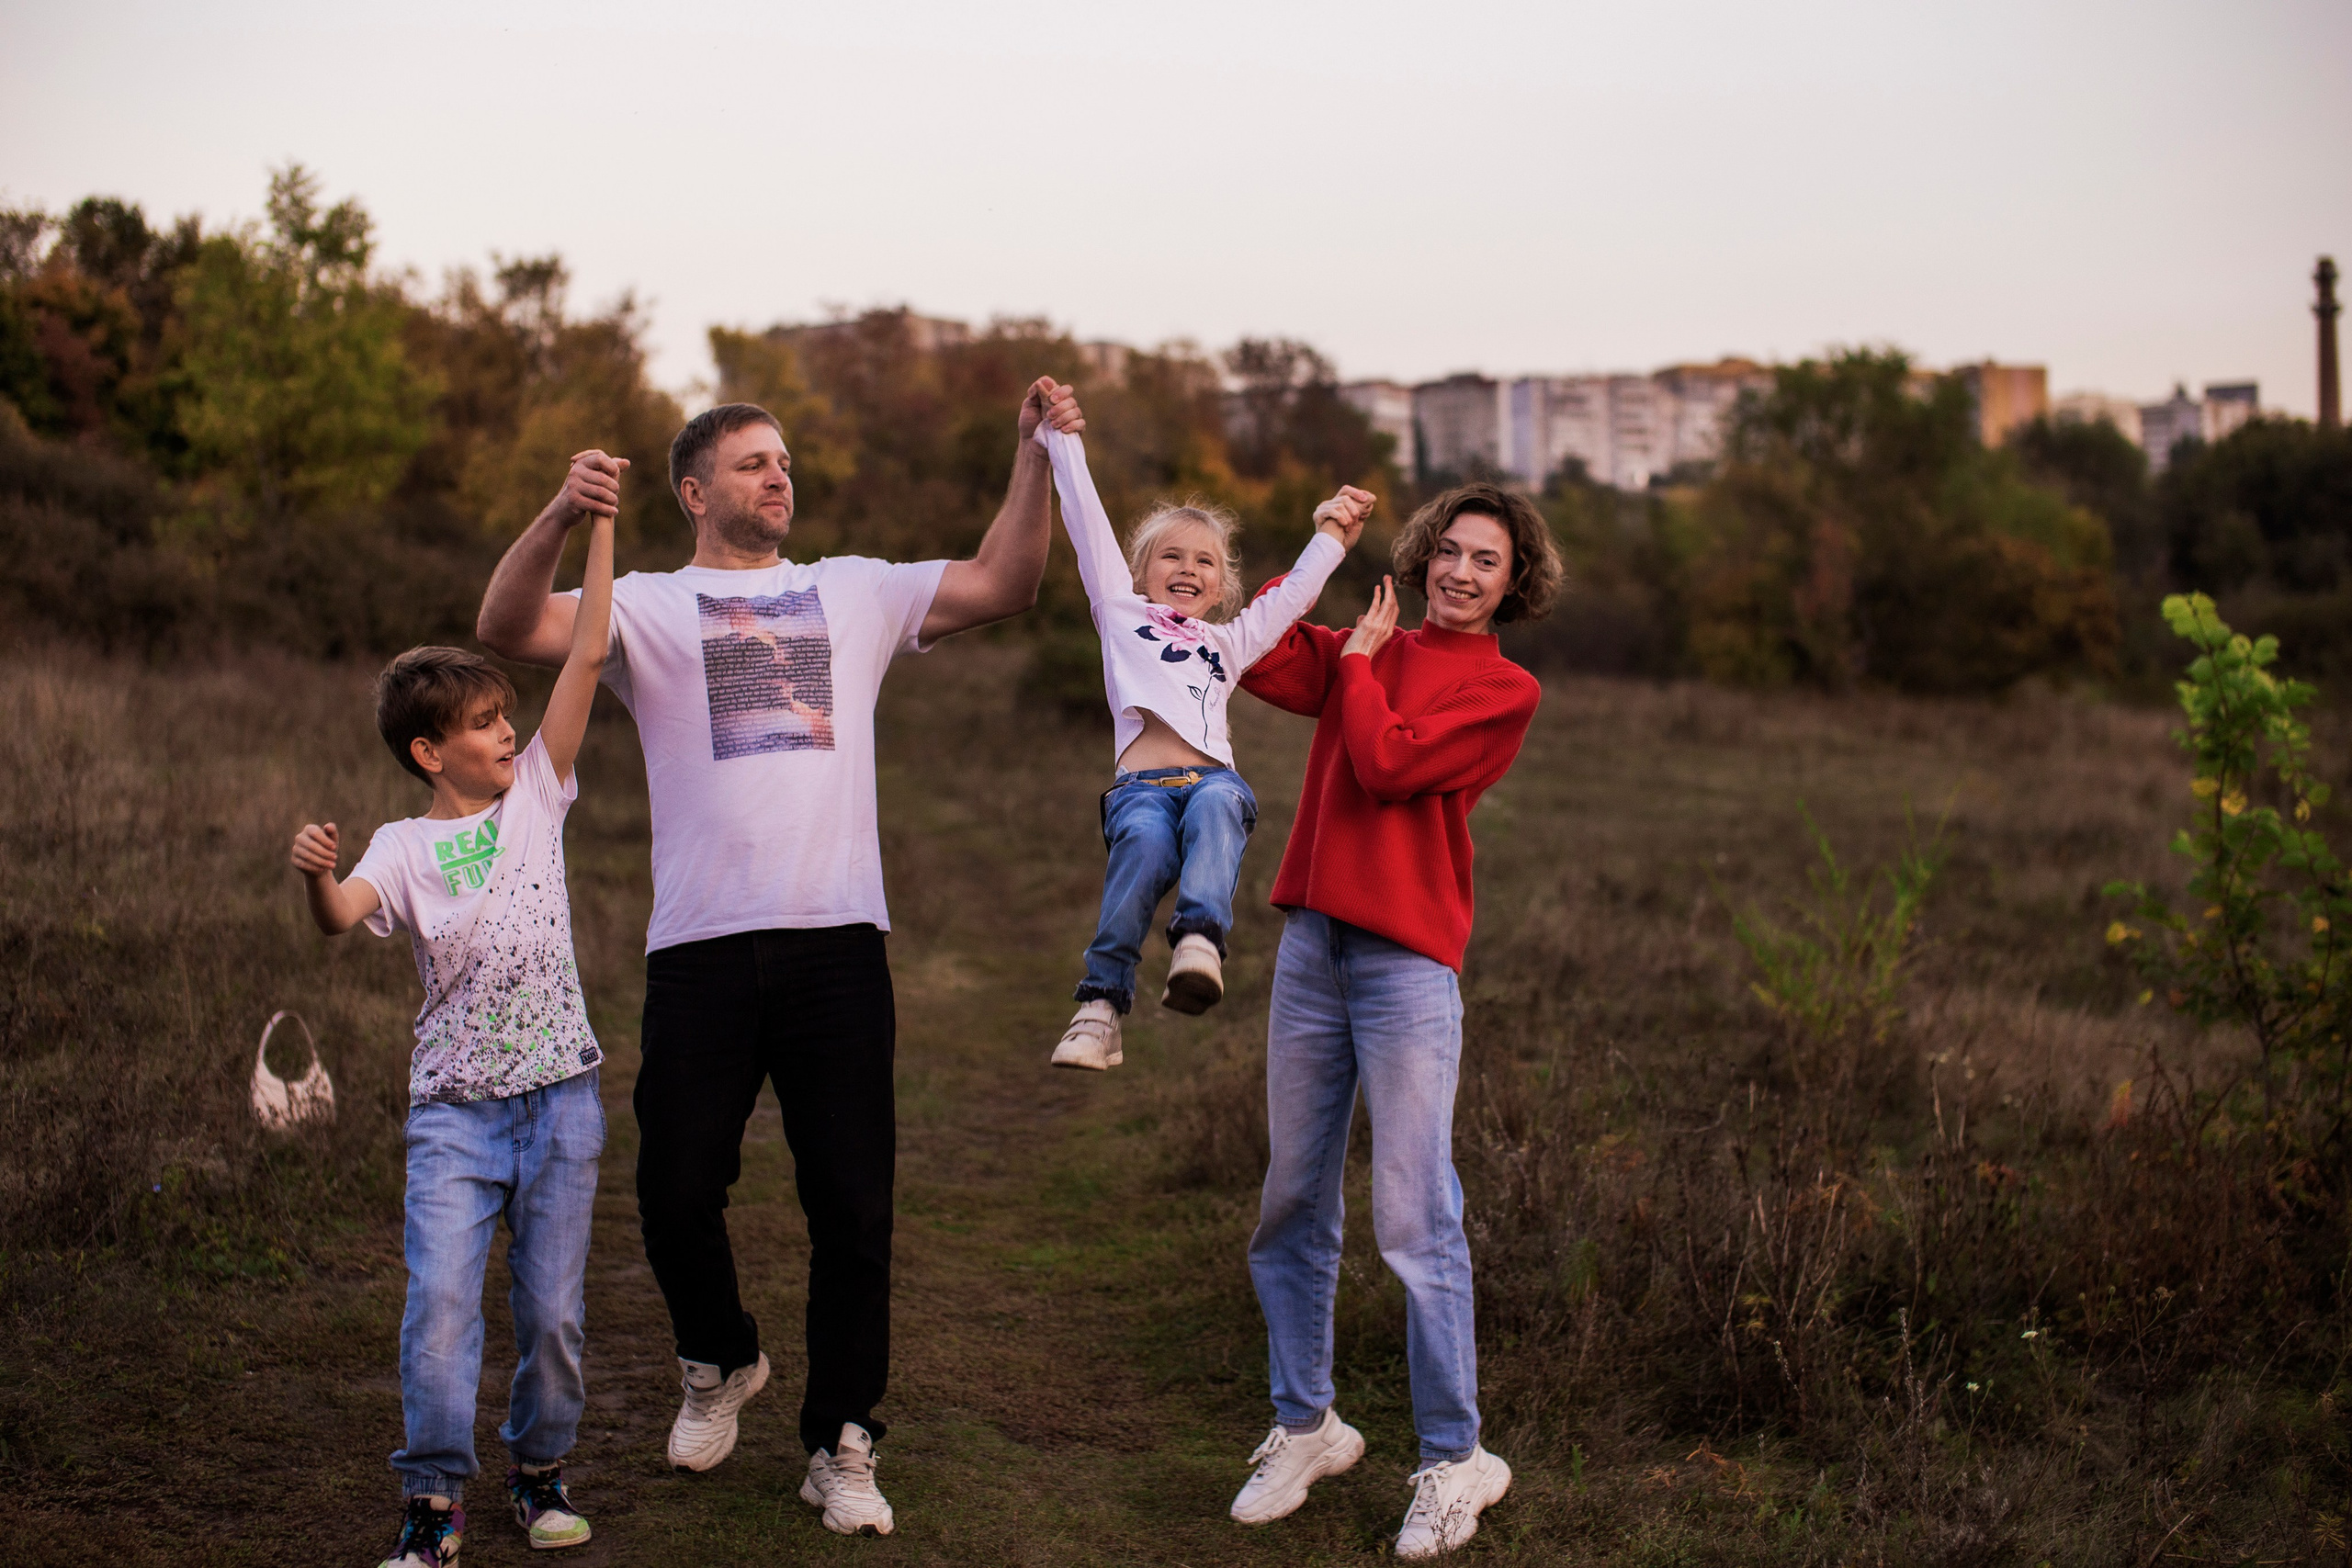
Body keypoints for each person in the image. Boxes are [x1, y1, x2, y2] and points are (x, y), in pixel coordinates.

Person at [473, 379, 1084, 1539]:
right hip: (699, 947)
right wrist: (559, 513)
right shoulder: (645, 605)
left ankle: (841, 1443)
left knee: (852, 1207)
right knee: (671, 1188)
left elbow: (1007, 582)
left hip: (837, 944)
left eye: (785, 460)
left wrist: (1035, 458)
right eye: (754, 463)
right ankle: (719, 1359)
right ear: (696, 493)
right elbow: (505, 629)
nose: (779, 476)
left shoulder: (853, 590)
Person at [1221, 482, 1563, 1559]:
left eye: (1486, 562)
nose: (1461, 573)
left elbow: (1390, 762)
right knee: (1290, 1200)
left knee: (1414, 1221)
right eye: (1450, 552)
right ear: (1421, 555)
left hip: (1408, 966)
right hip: (1313, 948)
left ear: (1515, 583)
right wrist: (1324, 545)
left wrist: (1360, 665)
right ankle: (1305, 1424)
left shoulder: (1504, 690)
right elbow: (1257, 646)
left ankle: (1458, 1459)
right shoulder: (1366, 637)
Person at [291, 491, 619, 1566]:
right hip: (455, 1115)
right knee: (438, 1311)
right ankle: (433, 1508)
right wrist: (317, 879)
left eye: (503, 716)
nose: (506, 731)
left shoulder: (539, 795)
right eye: (482, 724)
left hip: (560, 1096)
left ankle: (538, 1471)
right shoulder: (396, 847)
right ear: (431, 753)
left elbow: (585, 656)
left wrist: (593, 519)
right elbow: (342, 921)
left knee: (554, 1318)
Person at [1035, 422, 1372, 1069]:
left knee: (1219, 803)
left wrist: (1333, 529)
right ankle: (1100, 1007)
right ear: (1139, 571)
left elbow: (1296, 594)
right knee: (1143, 847)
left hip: (1212, 781)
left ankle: (1199, 941)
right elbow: (1083, 515)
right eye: (1171, 556)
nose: (1187, 568)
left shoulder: (1230, 642)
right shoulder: (1118, 611)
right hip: (1140, 792)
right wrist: (1062, 438)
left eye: (1204, 561)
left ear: (1221, 587)